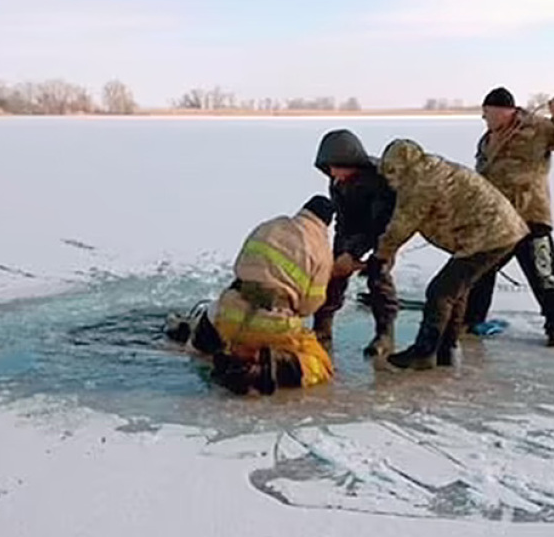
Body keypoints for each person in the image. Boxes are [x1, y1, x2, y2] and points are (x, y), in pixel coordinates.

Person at [363, 139, 529, 370]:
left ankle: (424, 352)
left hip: (489, 235)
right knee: (455, 291)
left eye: (391, 173)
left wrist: (379, 257)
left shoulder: (419, 183)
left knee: (440, 292)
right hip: (497, 231)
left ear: (400, 168)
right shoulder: (428, 169)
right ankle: (446, 349)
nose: (390, 181)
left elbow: (402, 225)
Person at [163, 196, 336, 395]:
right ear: (326, 223)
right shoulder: (321, 248)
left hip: (228, 314)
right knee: (321, 365)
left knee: (213, 318)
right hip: (272, 326)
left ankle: (207, 347)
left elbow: (240, 266)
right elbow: (310, 305)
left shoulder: (270, 226)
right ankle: (259, 372)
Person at [466, 86, 554, 347]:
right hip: (497, 220)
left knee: (544, 274)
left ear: (503, 111)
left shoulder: (538, 128)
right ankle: (472, 320)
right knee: (480, 269)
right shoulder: (487, 140)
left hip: (531, 217)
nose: (484, 119)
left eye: (487, 113)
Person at [311, 129, 400, 358]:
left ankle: (385, 334)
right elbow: (343, 218)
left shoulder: (379, 180)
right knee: (334, 275)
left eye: (335, 167)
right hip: (352, 230)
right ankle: (322, 328)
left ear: (351, 162)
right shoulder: (337, 181)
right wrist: (342, 252)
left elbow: (380, 225)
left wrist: (356, 252)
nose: (332, 173)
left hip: (386, 230)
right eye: (328, 168)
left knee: (378, 275)